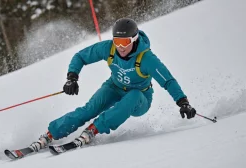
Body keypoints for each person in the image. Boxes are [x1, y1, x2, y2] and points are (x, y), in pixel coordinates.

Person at [29, 18, 196, 152]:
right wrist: (72, 77)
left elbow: (168, 80)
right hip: (114, 87)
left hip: (140, 97)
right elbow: (80, 56)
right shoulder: (109, 48)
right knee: (89, 109)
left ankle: (93, 130)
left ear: (134, 39)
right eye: (117, 41)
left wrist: (183, 102)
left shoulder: (146, 58)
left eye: (125, 42)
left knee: (133, 95)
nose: (120, 47)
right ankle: (51, 134)